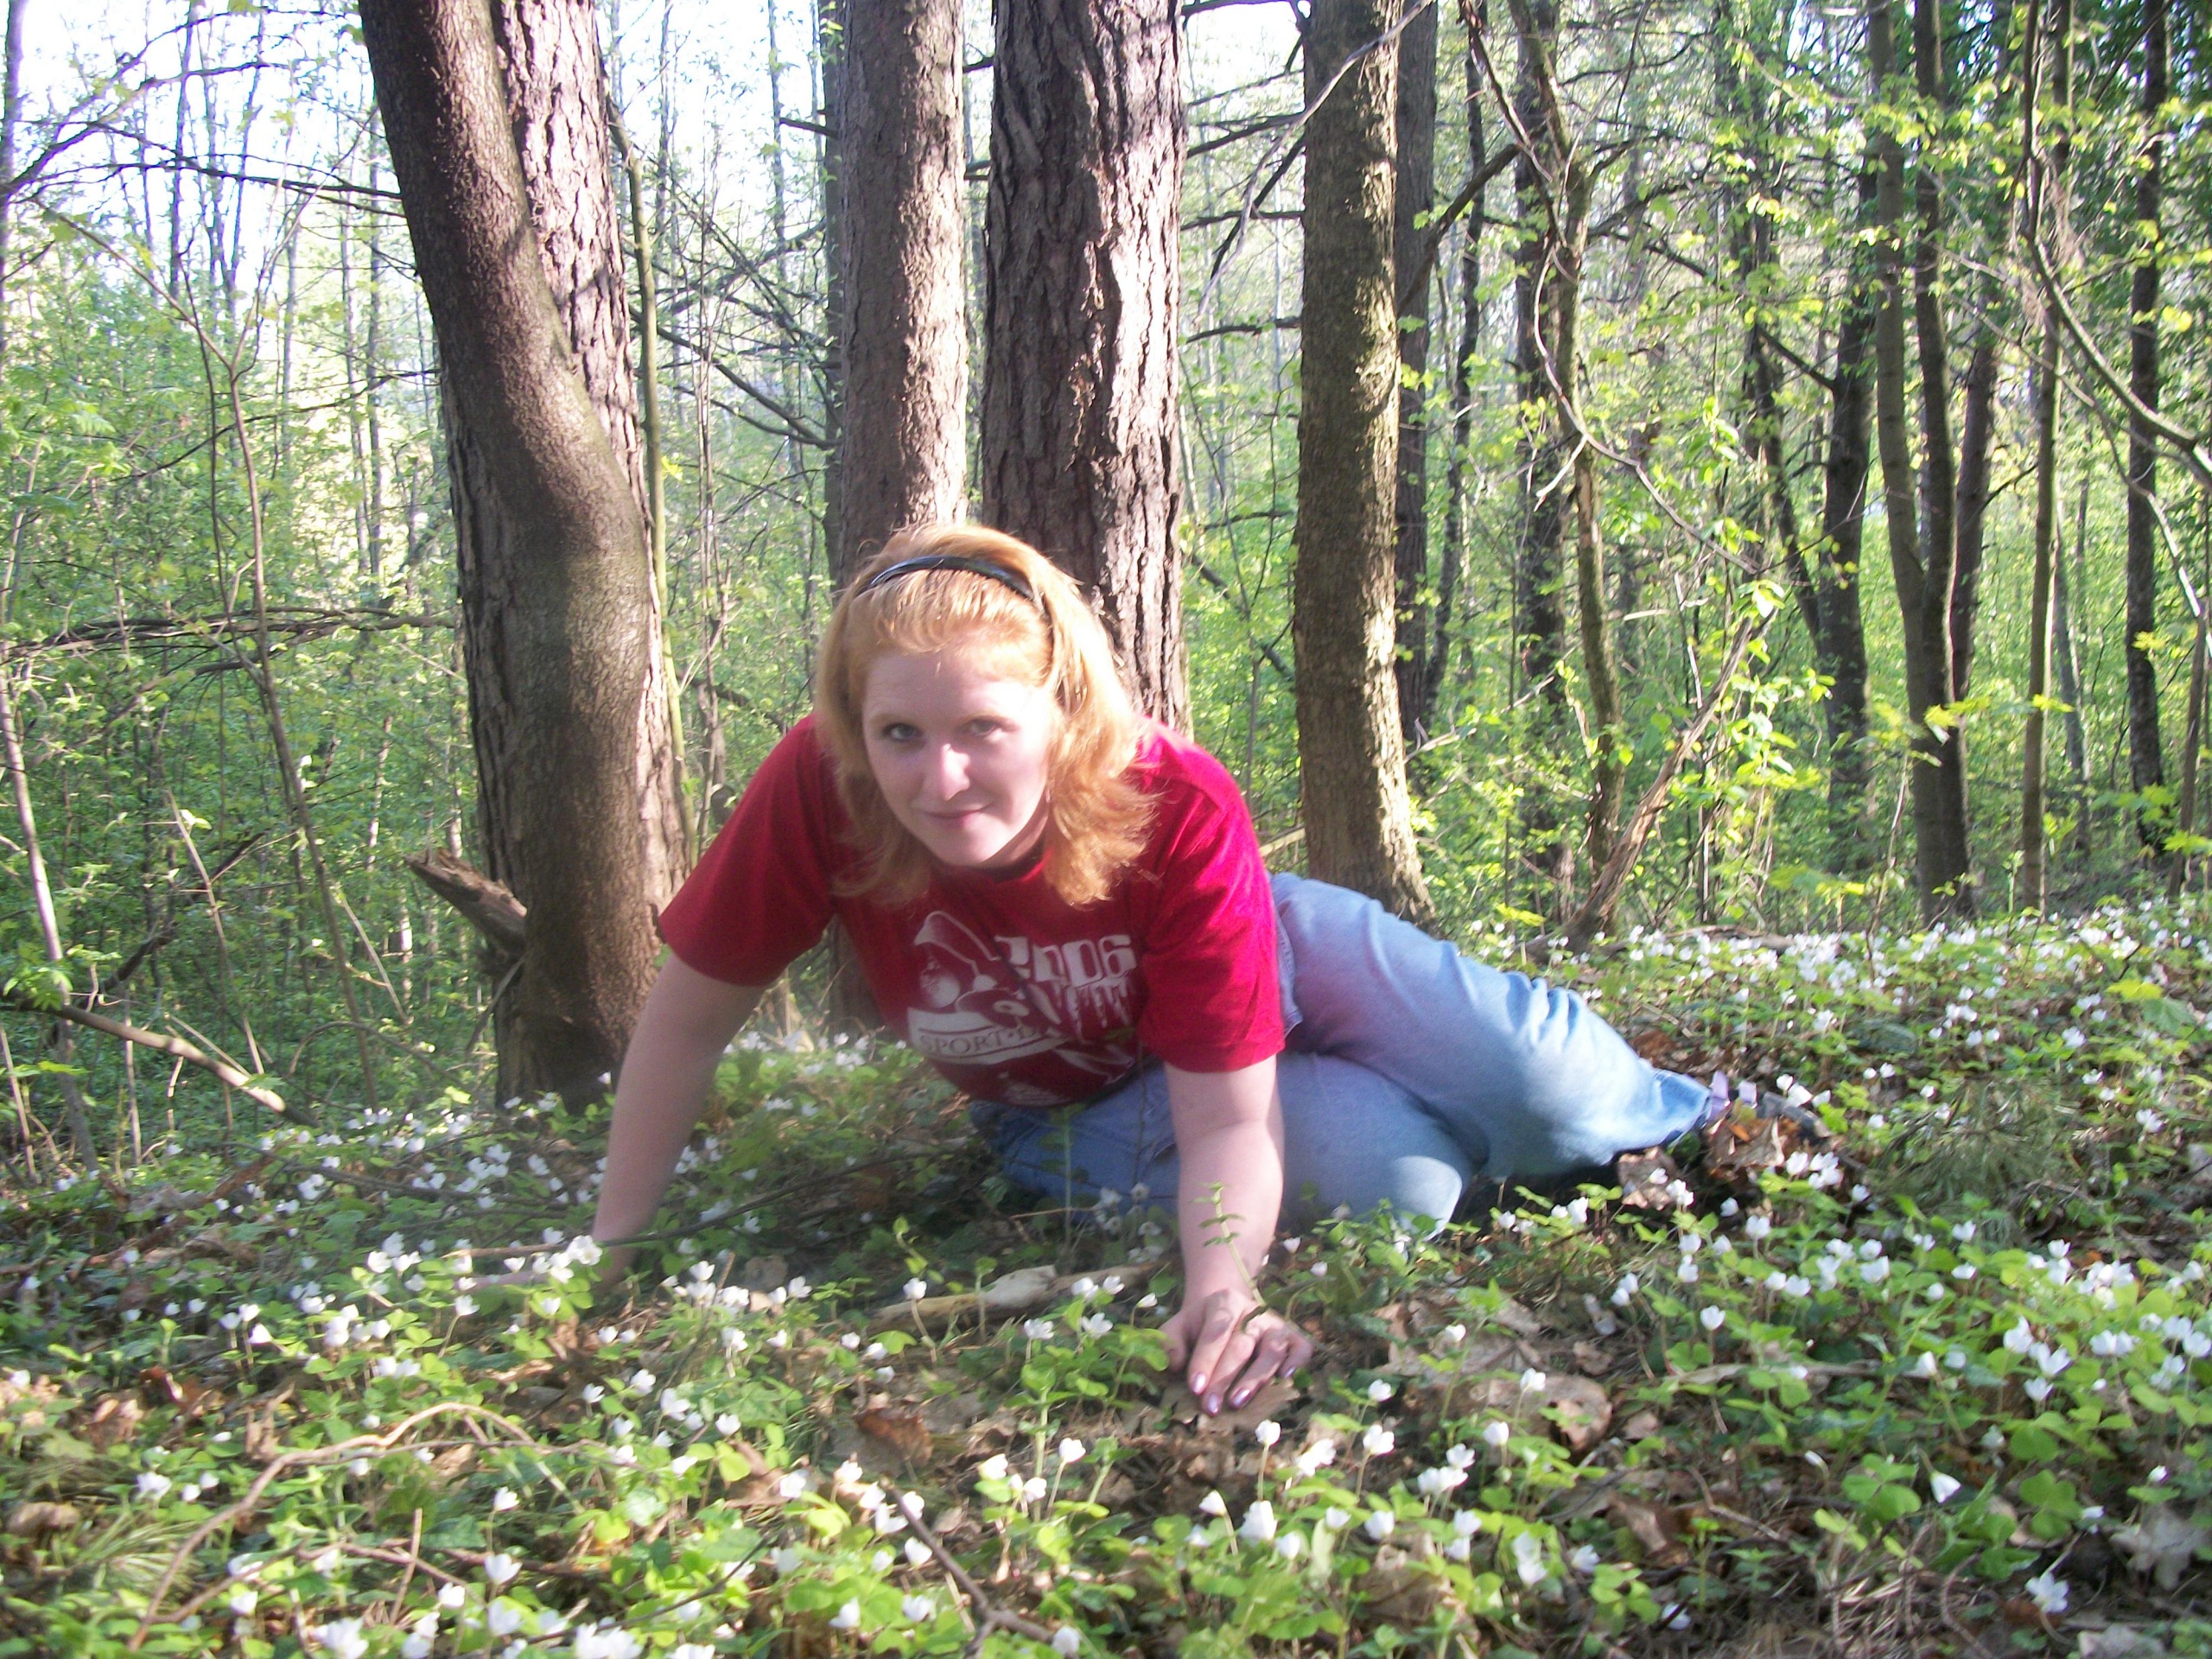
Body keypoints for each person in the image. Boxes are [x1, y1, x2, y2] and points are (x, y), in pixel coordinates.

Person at [590, 524, 1716, 1416]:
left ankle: (1689, 1125)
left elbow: (1226, 1119)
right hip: (1074, 1104)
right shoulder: (817, 788)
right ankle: (1463, 1141)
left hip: (1278, 952)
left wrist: (1220, 1283)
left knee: (1554, 1094)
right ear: (854, 726)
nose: (939, 780)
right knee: (1398, 1188)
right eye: (900, 735)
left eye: (983, 726)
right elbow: (685, 1027)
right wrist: (615, 1248)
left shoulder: (1170, 795)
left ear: (1062, 710)